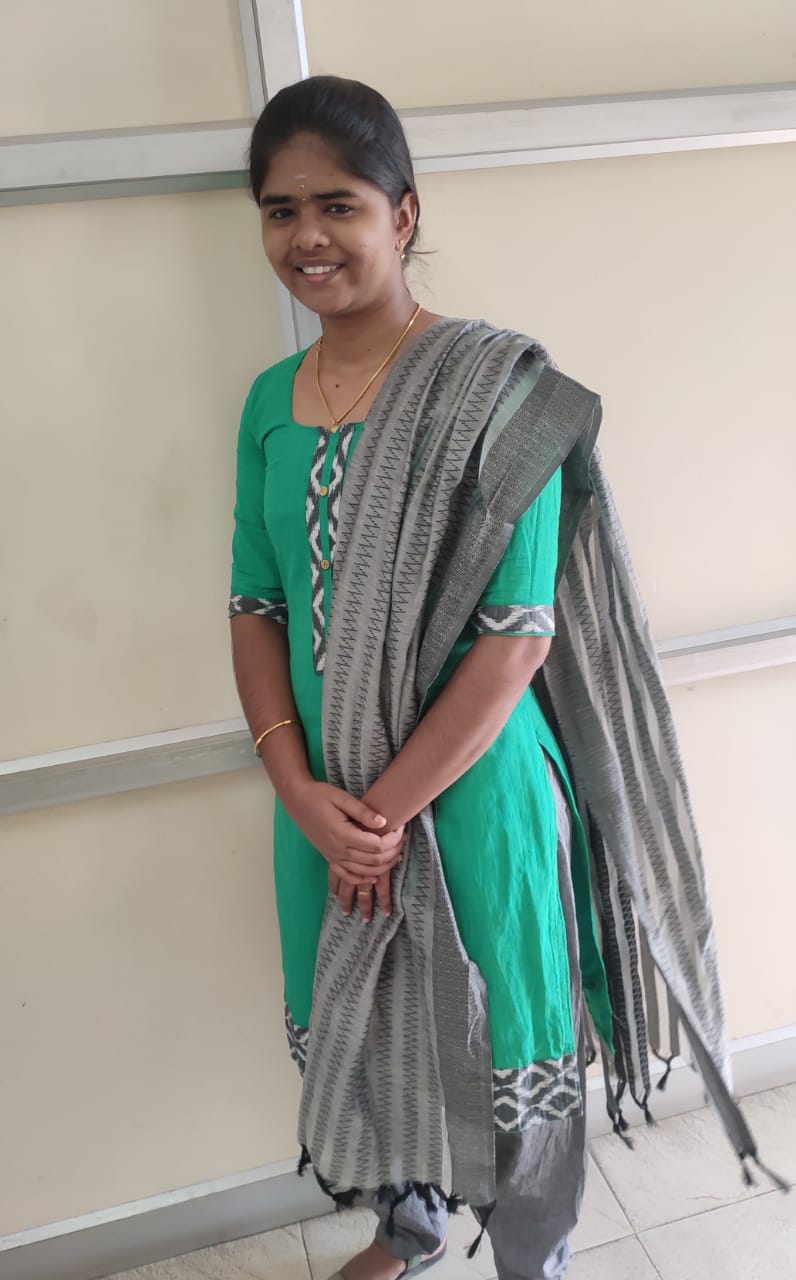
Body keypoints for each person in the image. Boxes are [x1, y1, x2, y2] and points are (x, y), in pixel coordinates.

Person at [229, 76, 764, 1280]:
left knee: (507, 1038)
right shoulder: (267, 402)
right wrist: (301, 792)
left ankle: (536, 1258)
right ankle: (409, 1227)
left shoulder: (499, 392)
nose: (307, 236)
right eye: (279, 210)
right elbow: (254, 602)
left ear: (403, 213)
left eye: (337, 204)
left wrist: (383, 816)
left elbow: (516, 635)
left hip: (469, 796)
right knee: (369, 1036)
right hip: (317, 803)